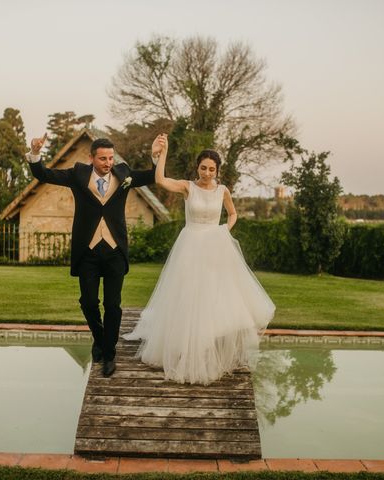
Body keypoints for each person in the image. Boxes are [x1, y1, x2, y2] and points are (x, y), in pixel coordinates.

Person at [124, 135, 276, 385]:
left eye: (212, 169)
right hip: (190, 245)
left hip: (216, 247)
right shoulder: (187, 187)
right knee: (187, 296)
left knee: (214, 297)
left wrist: (225, 230)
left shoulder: (223, 190)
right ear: (198, 167)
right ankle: (184, 349)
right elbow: (160, 180)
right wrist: (162, 152)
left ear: (218, 170)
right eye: (203, 167)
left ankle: (208, 348)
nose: (207, 173)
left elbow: (233, 213)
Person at [26, 133, 164, 377]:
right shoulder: (77, 175)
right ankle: (100, 338)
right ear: (91, 158)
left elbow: (152, 176)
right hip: (87, 251)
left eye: (110, 158)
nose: (108, 163)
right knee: (88, 302)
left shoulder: (124, 174)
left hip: (115, 251)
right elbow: (43, 174)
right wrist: (36, 154)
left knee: (113, 305)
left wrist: (155, 155)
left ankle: (109, 353)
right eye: (102, 158)